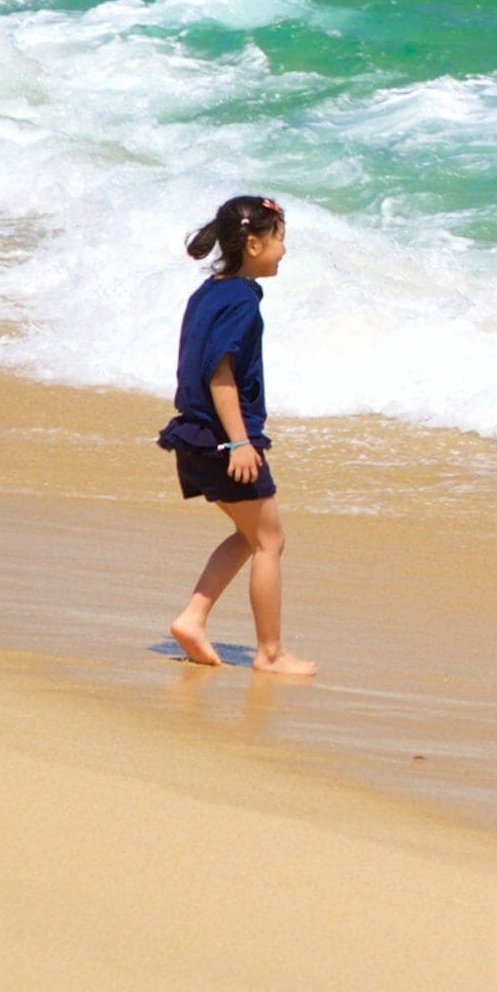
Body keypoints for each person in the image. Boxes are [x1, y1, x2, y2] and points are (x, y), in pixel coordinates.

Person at [159, 194, 316, 676]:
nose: (284, 252)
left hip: (195, 436)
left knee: (251, 536)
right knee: (270, 541)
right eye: (279, 241)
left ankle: (193, 618)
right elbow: (218, 375)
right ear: (252, 243)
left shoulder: (213, 290)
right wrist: (239, 442)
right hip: (221, 440)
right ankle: (270, 653)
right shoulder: (241, 302)